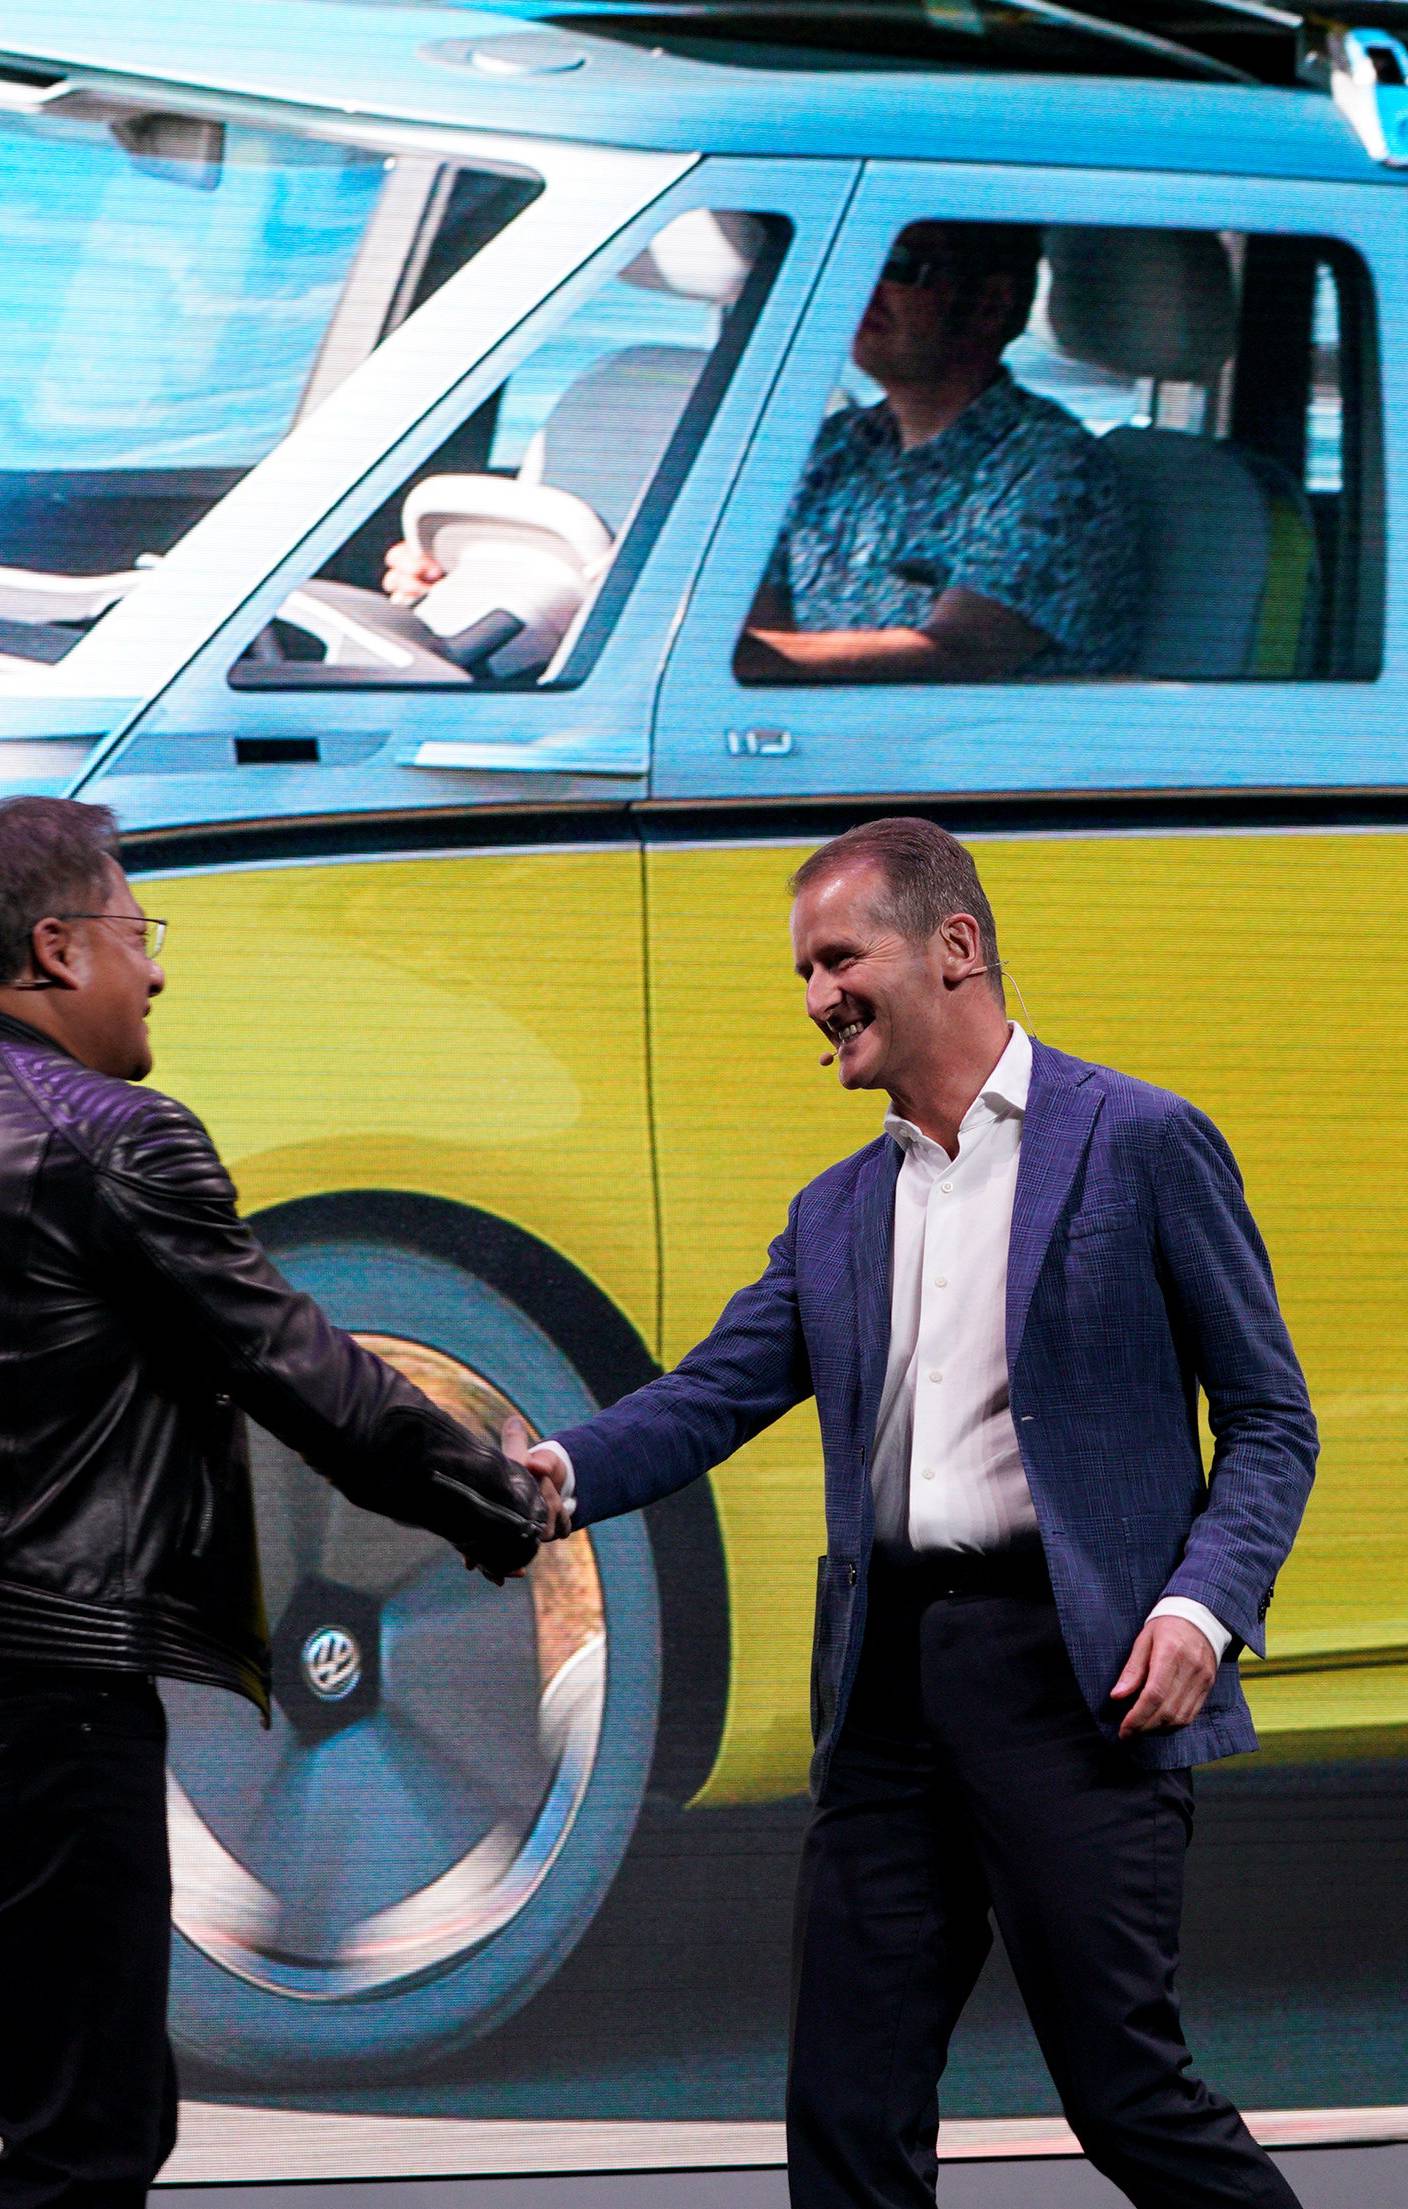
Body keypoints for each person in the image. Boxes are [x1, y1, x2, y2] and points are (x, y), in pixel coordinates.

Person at [521, 817, 1317, 2209]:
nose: (817, 995)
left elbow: (1271, 1422)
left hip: (1079, 1685)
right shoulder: (835, 1214)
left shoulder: (1141, 1143)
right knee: (847, 2109)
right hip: (890, 1694)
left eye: (839, 957)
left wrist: (1201, 1608)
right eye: (803, 974)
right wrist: (549, 1474)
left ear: (954, 947)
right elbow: (703, 1399)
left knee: (1128, 2100)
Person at [0, 796, 548, 2205]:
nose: (157, 970)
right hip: (48, 1701)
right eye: (138, 933)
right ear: (57, 949)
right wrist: (496, 1500)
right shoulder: (113, 1137)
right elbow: (304, 1372)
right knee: (84, 2131)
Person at [383, 222, 1143, 685]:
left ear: (990, 304)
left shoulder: (1053, 472)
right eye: (861, 259)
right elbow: (751, 609)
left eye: (902, 265)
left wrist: (727, 663)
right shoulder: (837, 445)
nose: (865, 286)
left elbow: (957, 654)